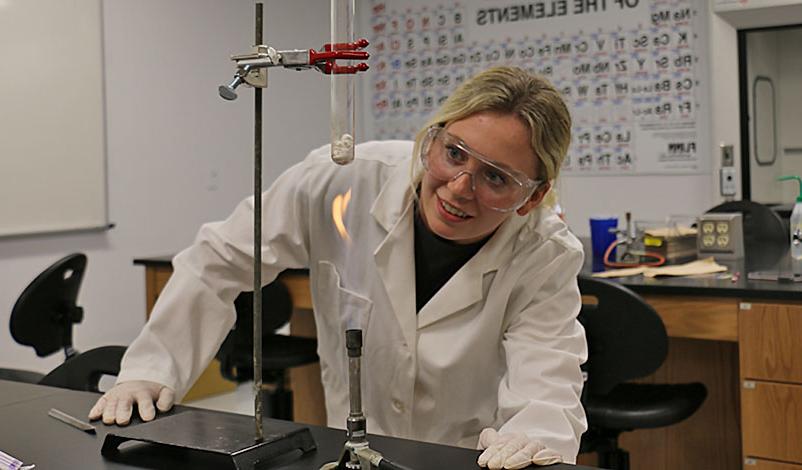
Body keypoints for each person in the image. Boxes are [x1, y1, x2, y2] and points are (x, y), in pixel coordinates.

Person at [89, 66, 587, 469]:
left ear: (533, 196)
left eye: (495, 177)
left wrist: (531, 442)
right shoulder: (345, 179)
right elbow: (218, 260)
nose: (459, 187)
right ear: (431, 140)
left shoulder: (544, 255)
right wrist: (150, 369)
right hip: (348, 451)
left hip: (460, 455)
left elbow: (548, 374)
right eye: (453, 153)